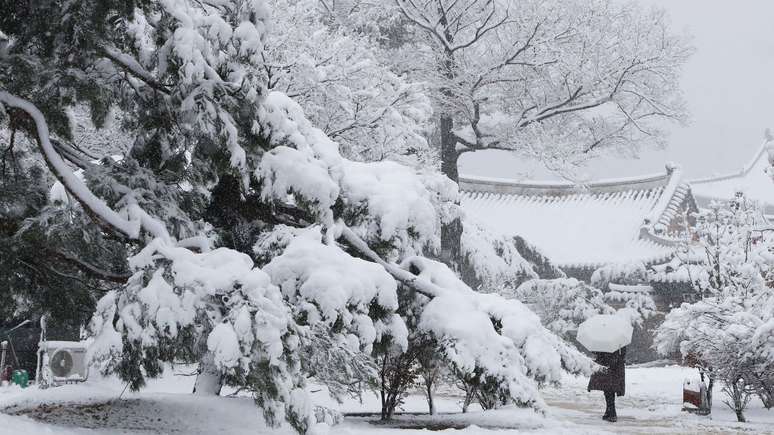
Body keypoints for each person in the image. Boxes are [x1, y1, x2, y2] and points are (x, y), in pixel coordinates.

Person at [587, 346, 626, 422]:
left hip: (609, 366)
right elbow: (623, 354)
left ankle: (611, 413)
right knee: (608, 390)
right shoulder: (619, 341)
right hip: (613, 366)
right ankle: (609, 411)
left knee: (609, 390)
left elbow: (597, 352)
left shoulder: (605, 340)